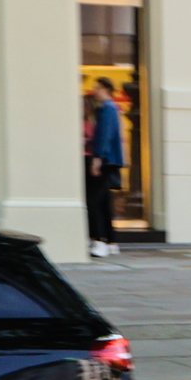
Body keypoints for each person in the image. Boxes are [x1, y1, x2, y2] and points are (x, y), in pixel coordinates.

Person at [84, 78, 124, 256]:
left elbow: (104, 136)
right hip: (110, 160)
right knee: (104, 202)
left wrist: (97, 158)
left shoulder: (107, 109)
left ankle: (98, 240)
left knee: (93, 201)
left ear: (107, 89)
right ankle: (111, 241)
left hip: (104, 161)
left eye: (98, 88)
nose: (95, 91)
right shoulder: (112, 108)